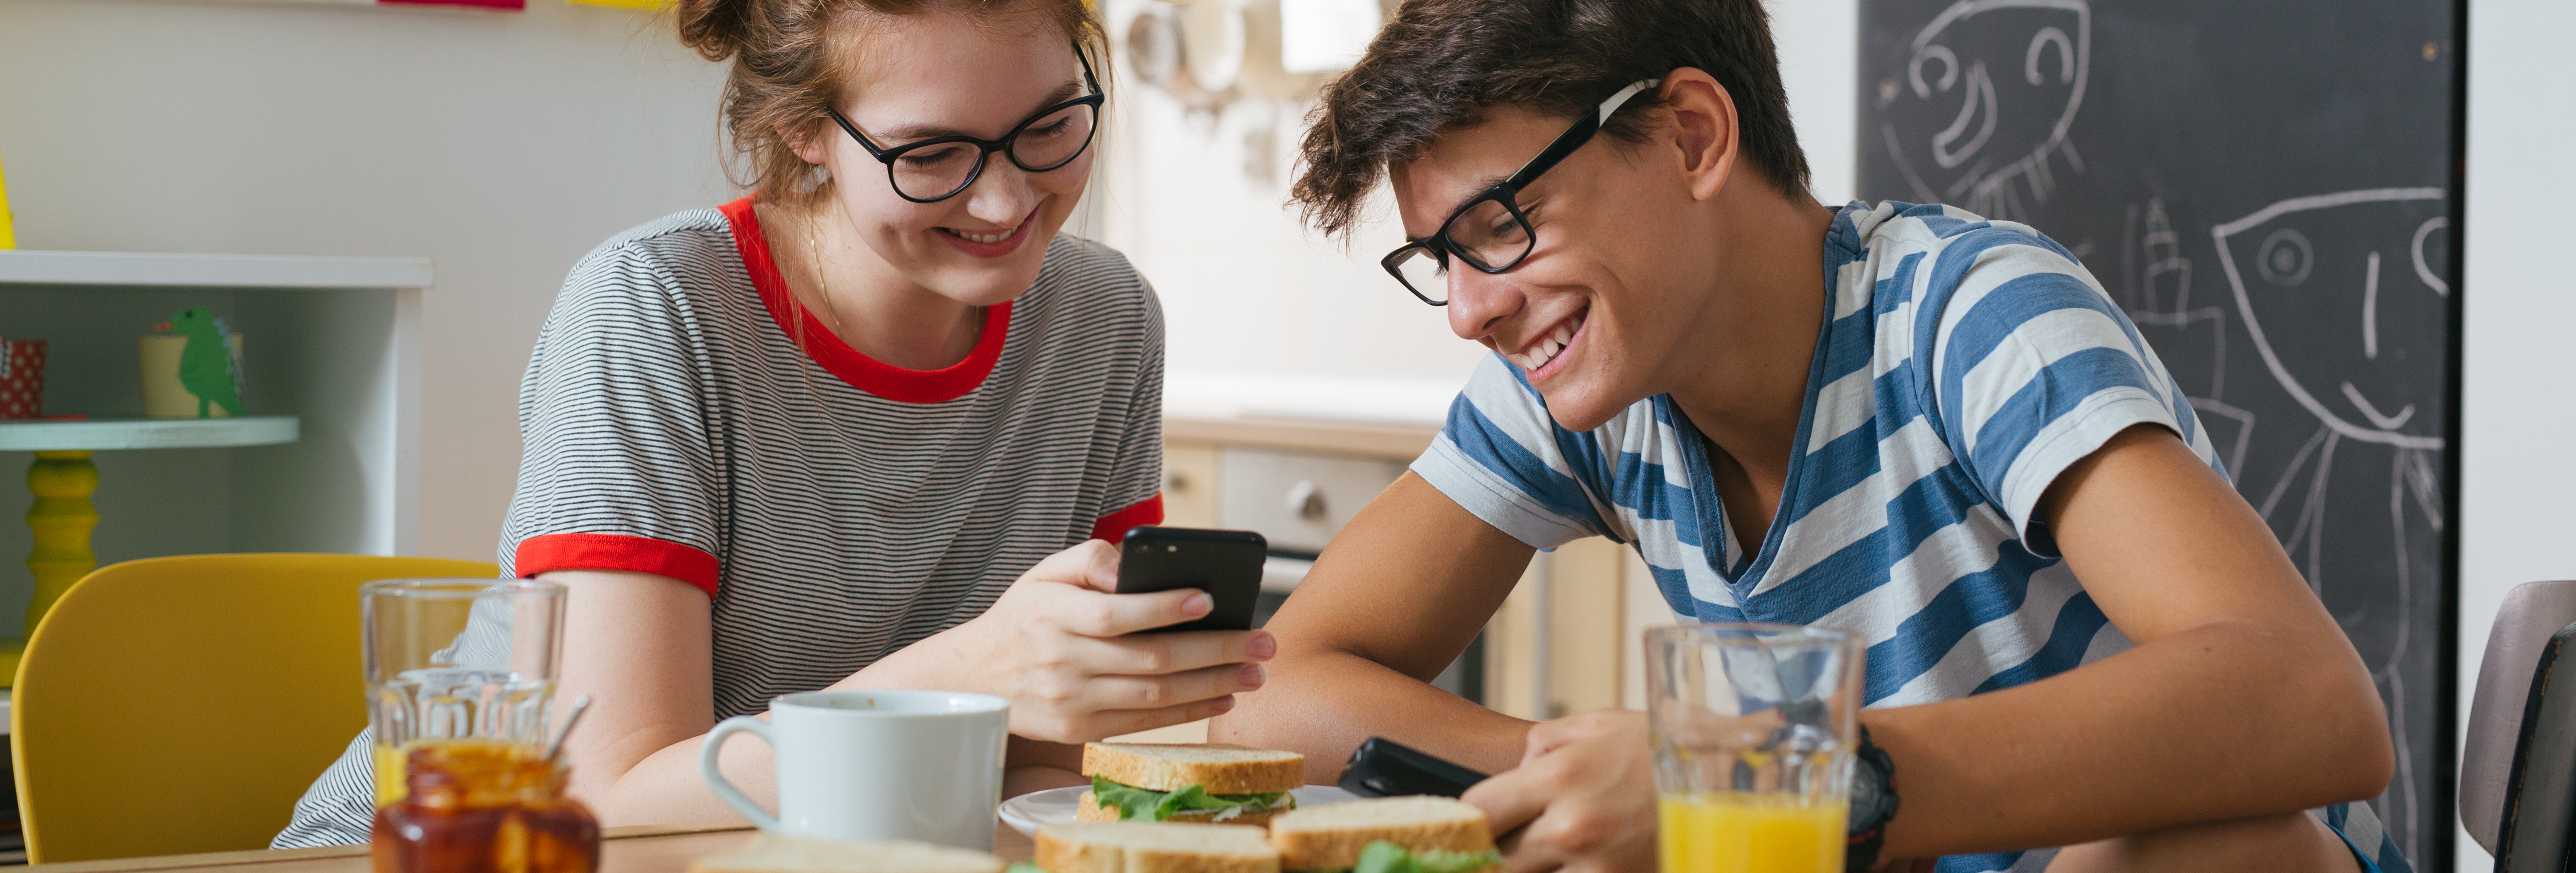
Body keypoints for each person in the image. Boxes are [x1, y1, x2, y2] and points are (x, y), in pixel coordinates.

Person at [1213, 1, 2405, 871]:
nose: (1470, 311)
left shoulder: (1967, 315)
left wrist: (1759, 783)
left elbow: (2309, 699)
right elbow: (1270, 695)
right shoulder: (1588, 388)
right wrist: (1633, 789)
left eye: (1501, 225)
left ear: (1691, 135)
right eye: (1441, 259)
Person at [275, 0, 1272, 847]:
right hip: (466, 849)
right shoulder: (655, 307)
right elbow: (611, 800)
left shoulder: (1105, 319)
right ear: (804, 130)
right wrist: (971, 676)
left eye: (1051, 125)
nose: (1007, 198)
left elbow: (1045, 761)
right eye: (933, 153)